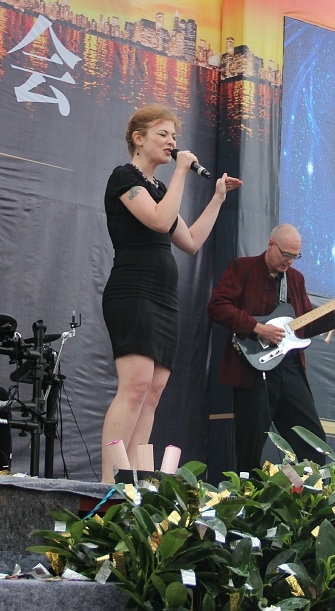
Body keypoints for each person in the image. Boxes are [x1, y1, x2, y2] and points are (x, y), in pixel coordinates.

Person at [99, 105, 242, 482]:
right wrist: (180, 171)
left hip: (163, 298)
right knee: (135, 386)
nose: (171, 142)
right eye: (163, 134)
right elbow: (160, 221)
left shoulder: (160, 189)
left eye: (174, 136)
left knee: (153, 390)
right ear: (138, 138)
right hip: (133, 291)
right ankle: (110, 480)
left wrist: (217, 198)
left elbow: (190, 241)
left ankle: (136, 480)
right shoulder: (124, 177)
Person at [208, 224, 335, 474]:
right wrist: (256, 327)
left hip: (289, 368)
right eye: (286, 254)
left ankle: (303, 492)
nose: (289, 261)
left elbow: (304, 325)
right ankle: (247, 493)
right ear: (271, 245)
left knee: (313, 442)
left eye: (295, 256)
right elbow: (217, 306)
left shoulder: (295, 279)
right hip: (252, 370)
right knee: (250, 444)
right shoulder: (243, 268)